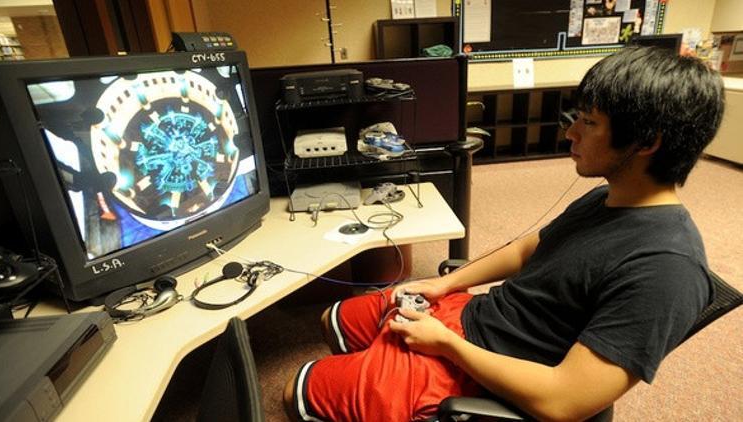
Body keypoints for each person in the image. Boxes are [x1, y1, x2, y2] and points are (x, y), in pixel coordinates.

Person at [283, 46, 725, 422]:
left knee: (294, 391)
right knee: (334, 319)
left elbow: (564, 401)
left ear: (646, 142)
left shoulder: (667, 271)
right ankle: (372, 372)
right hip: (475, 317)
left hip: (480, 368)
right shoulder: (608, 197)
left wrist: (446, 346)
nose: (570, 132)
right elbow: (530, 249)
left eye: (589, 123)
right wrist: (444, 284)